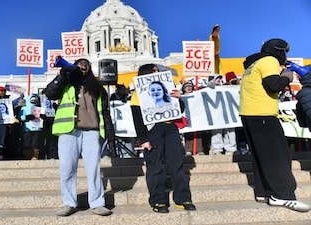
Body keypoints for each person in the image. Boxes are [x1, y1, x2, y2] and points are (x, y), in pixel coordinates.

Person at [240, 38, 310, 212]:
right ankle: (283, 195)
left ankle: (263, 192)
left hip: (249, 114)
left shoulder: (252, 64)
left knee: (261, 156)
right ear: (278, 51)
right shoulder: (269, 60)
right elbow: (272, 85)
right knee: (278, 156)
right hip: (263, 114)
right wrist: (287, 76)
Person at [44, 58, 115, 216]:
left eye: (86, 64)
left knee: (94, 168)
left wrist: (110, 130)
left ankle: (97, 203)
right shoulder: (66, 83)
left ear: (89, 68)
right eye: (80, 64)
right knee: (67, 168)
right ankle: (69, 202)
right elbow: (49, 93)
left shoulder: (97, 87)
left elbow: (105, 111)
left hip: (92, 130)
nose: (83, 66)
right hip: (68, 130)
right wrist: (63, 75)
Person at [130, 63, 196, 213]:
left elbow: (179, 110)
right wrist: (143, 139)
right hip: (152, 129)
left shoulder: (167, 87)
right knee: (155, 166)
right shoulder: (137, 94)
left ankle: (183, 198)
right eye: (153, 71)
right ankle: (158, 201)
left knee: (177, 164)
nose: (157, 73)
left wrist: (179, 99)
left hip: (171, 128)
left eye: (157, 71)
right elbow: (137, 118)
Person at [208, 75, 237, 155]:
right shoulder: (209, 89)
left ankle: (231, 149)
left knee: (230, 130)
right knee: (217, 131)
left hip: (227, 112)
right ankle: (217, 149)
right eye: (216, 78)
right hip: (216, 114)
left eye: (219, 78)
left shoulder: (225, 88)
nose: (218, 80)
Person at [180, 81, 205, 155]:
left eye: (190, 86)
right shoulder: (181, 97)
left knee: (199, 134)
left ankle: (199, 149)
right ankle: (188, 149)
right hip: (186, 117)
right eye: (187, 86)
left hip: (196, 117)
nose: (189, 88)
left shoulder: (196, 95)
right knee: (189, 134)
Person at [18, 94, 45, 160]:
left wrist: (43, 117)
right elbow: (19, 117)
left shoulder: (40, 108)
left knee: (35, 143)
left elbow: (45, 116)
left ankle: (35, 156)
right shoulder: (24, 108)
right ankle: (27, 156)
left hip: (37, 128)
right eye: (32, 99)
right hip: (27, 129)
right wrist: (26, 117)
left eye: (35, 100)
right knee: (27, 143)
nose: (33, 101)